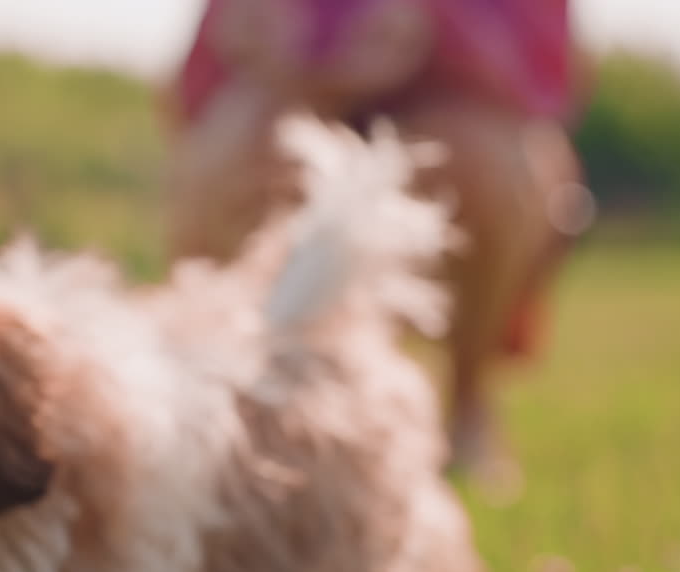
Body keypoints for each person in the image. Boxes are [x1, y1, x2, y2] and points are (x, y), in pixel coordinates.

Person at [162, 0, 594, 488]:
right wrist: (243, 34)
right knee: (227, 145)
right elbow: (186, 95)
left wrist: (436, 34)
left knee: (483, 162)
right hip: (290, 94)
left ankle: (467, 404)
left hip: (453, 102)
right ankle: (232, 397)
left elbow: (547, 80)